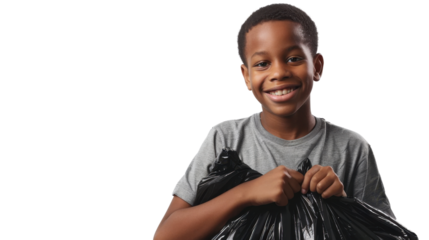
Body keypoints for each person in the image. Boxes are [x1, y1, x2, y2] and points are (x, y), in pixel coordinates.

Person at [153, 2, 396, 240]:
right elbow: (166, 235)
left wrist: (343, 204)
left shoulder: (351, 148)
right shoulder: (225, 139)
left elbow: (385, 233)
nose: (278, 73)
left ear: (318, 67)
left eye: (293, 59)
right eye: (262, 64)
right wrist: (246, 193)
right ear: (246, 77)